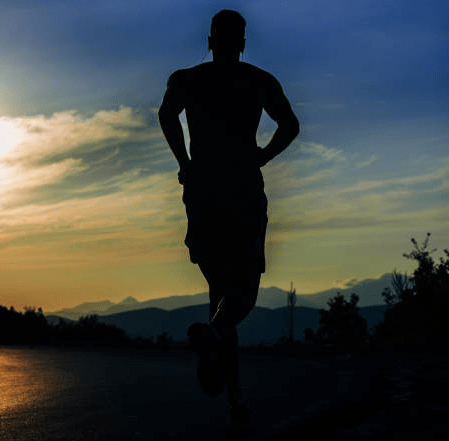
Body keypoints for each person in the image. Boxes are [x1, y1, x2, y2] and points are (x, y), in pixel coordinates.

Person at [158, 9, 299, 424]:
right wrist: (262, 157)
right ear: (242, 42)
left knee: (219, 291)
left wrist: (184, 161)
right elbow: (290, 125)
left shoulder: (185, 79)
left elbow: (167, 115)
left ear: (208, 41)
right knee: (244, 292)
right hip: (241, 189)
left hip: (202, 191)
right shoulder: (259, 81)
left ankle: (234, 394)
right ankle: (226, 367)